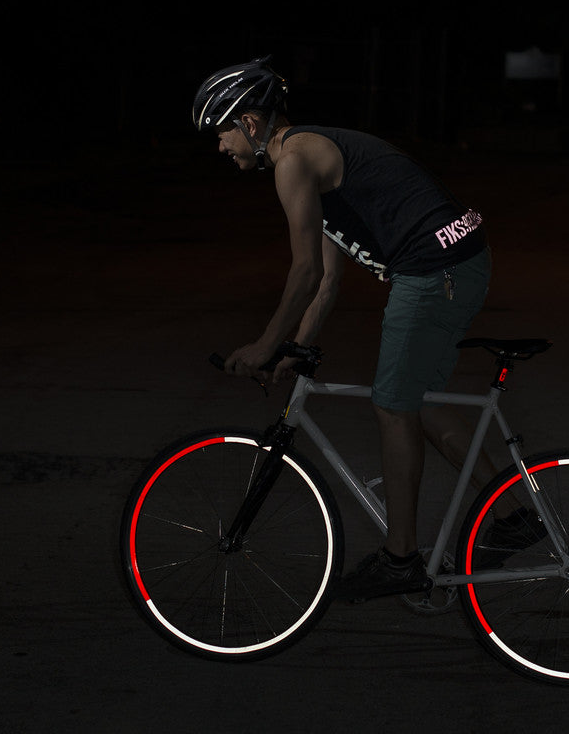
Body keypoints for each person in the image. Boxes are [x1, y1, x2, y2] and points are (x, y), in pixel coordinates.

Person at [192, 56, 499, 602]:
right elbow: (328, 281)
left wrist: (264, 345)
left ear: (251, 123)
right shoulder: (310, 155)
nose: (220, 146)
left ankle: (400, 558)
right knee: (417, 400)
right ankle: (516, 514)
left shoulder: (293, 160)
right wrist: (295, 346)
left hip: (436, 271)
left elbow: (304, 272)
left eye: (222, 133)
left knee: (392, 404)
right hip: (459, 262)